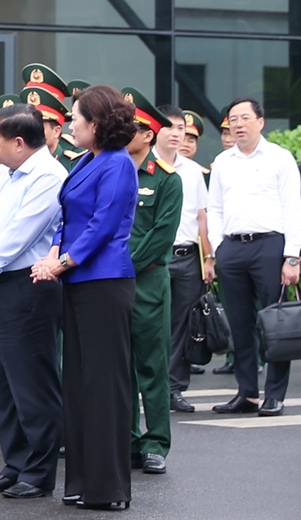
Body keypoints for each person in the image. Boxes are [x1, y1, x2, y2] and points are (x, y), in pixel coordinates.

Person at [30, 84, 139, 509]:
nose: (70, 124)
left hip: (105, 282)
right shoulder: (85, 161)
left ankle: (108, 489)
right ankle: (81, 482)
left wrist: (62, 262)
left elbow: (103, 224)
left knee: (104, 385)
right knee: (78, 383)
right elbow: (68, 216)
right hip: (78, 281)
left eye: (76, 118)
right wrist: (56, 250)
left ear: (96, 123)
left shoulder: (117, 164)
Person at [0, 102, 65, 499]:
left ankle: (39, 472)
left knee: (32, 383)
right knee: (2, 383)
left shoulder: (49, 177)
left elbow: (20, 234)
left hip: (26, 285)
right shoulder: (6, 173)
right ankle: (15, 463)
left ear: (19, 143)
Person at [207, 97, 301, 416]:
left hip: (270, 247)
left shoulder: (280, 158)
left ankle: (274, 394)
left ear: (260, 122)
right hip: (232, 249)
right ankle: (247, 392)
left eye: (244, 118)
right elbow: (215, 208)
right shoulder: (222, 162)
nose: (238, 124)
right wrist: (219, 247)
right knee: (240, 324)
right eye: (232, 119)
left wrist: (291, 256)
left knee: (274, 323)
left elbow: (292, 208)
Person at [120, 89, 182, 474]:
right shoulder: (111, 169)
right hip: (110, 283)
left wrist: (121, 265)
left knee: (151, 364)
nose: (123, 131)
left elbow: (161, 234)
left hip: (146, 281)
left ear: (148, 134)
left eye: (132, 126)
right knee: (119, 365)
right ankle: (126, 439)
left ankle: (156, 441)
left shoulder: (166, 180)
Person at [161, 107, 212, 411]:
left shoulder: (193, 170)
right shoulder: (142, 164)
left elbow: (202, 218)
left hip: (187, 256)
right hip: (155, 258)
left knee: (182, 324)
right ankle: (148, 385)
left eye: (181, 128)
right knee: (153, 324)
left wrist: (209, 259)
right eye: (172, 127)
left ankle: (175, 388)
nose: (178, 133)